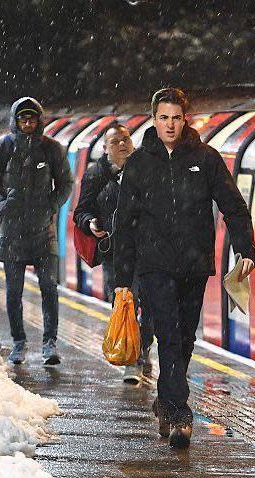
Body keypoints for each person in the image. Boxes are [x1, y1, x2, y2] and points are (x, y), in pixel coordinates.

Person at [114, 88, 255, 448]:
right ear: (154, 119)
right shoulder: (139, 164)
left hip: (194, 265)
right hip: (154, 265)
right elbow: (124, 222)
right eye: (164, 117)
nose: (170, 124)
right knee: (169, 332)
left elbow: (233, 206)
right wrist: (122, 278)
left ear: (184, 119)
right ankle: (179, 412)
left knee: (186, 336)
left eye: (176, 117)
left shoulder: (205, 160)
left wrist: (245, 248)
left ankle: (165, 400)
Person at [0, 97, 73, 365]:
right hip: (12, 233)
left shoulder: (52, 149)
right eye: (23, 119)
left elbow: (66, 182)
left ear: (39, 120)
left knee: (49, 288)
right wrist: (2, 206)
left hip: (45, 232)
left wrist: (51, 205)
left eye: (32, 118)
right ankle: (18, 343)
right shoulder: (2, 148)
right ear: (16, 121)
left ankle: (49, 343)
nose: (28, 123)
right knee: (13, 292)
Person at [73, 124, 153, 383]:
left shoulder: (145, 168)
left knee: (149, 307)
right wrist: (91, 223)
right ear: (106, 149)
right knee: (124, 304)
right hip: (115, 252)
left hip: (147, 250)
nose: (122, 144)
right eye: (116, 141)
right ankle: (133, 361)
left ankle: (143, 346)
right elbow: (81, 211)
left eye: (126, 139)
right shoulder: (96, 174)